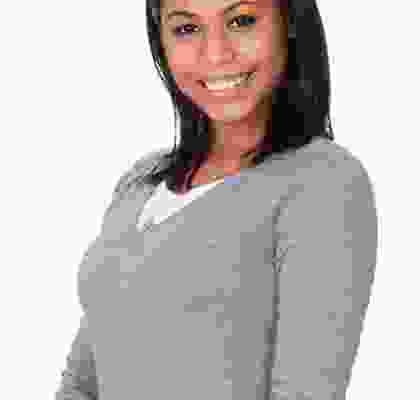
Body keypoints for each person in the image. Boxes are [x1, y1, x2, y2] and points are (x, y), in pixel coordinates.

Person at [55, 1, 378, 399]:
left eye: (242, 21)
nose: (216, 54)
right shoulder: (139, 182)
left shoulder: (322, 180)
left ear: (289, 23)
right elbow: (81, 385)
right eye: (186, 29)